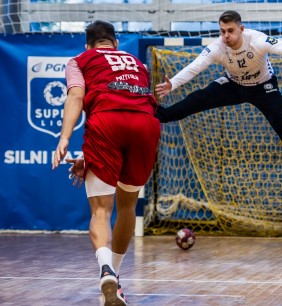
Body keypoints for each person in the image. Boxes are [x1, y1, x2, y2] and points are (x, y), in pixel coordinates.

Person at [155, 10, 282, 184]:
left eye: (231, 31)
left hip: (264, 87)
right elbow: (195, 66)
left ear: (241, 29)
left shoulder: (257, 40)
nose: (226, 35)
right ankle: (157, 116)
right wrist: (173, 83)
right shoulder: (217, 47)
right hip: (233, 85)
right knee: (197, 99)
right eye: (222, 31)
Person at [52, 20, 161, 306]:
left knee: (101, 209)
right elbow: (130, 102)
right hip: (146, 126)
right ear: (115, 43)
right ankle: (115, 281)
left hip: (106, 124)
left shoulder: (79, 60)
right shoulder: (138, 63)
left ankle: (106, 269)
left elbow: (77, 96)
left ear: (88, 45)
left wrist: (65, 138)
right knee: (127, 207)